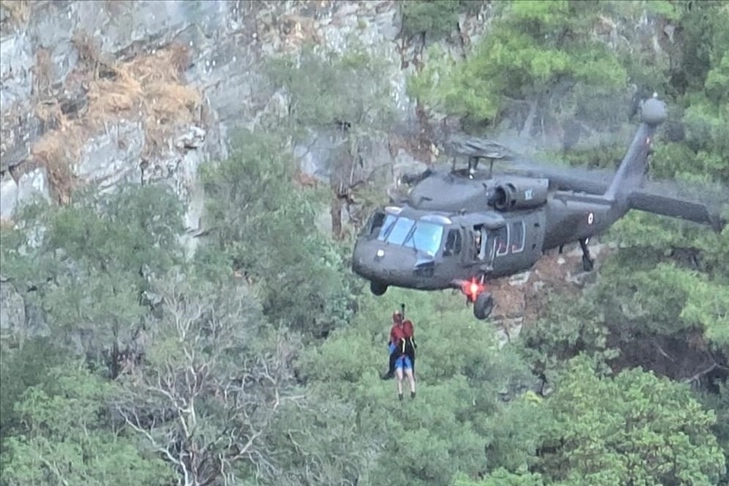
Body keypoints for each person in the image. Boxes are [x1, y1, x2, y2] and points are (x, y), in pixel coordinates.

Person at [382, 310, 416, 400]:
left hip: (401, 352)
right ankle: (411, 391)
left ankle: (390, 373)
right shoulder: (407, 326)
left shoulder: (396, 329)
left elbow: (393, 343)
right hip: (409, 352)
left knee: (400, 374)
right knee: (409, 374)